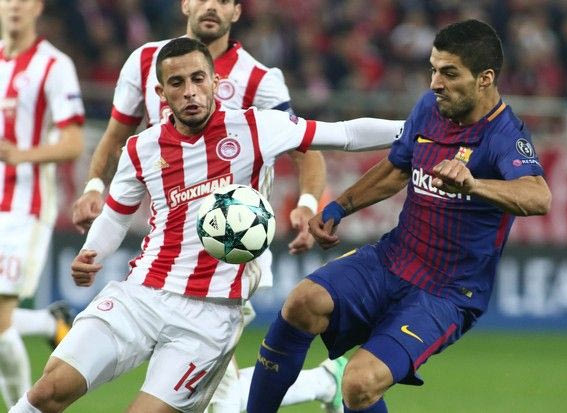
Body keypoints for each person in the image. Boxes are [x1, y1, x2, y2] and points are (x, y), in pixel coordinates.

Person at [9, 37, 402, 413]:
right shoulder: (141, 148)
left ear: (216, 82)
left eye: (198, 79)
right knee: (48, 391)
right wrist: (91, 253)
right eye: (177, 83)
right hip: (140, 295)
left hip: (209, 317)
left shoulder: (255, 127)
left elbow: (345, 133)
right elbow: (115, 213)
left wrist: (416, 129)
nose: (190, 91)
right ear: (161, 94)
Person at [247, 19, 553, 413]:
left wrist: (475, 184)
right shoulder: (429, 108)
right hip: (393, 259)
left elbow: (538, 196)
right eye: (433, 69)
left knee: (359, 383)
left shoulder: (504, 135)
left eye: (449, 73)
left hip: (447, 292)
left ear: (485, 79)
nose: (435, 83)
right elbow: (397, 169)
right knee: (302, 303)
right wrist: (339, 208)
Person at [71, 1, 341, 410]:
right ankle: (322, 382)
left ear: (237, 11)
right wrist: (95, 185)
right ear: (185, 4)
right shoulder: (145, 61)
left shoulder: (259, 78)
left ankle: (321, 382)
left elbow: (306, 147)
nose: (210, 5)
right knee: (211, 391)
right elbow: (116, 135)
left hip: (230, 246)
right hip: (169, 244)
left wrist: (306, 203)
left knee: (209, 394)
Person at [0, 0, 84, 408]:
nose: (15, 5)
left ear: (38, 7)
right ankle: (49, 323)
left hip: (23, 208)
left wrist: (21, 155)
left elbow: (73, 143)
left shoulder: (55, 65)